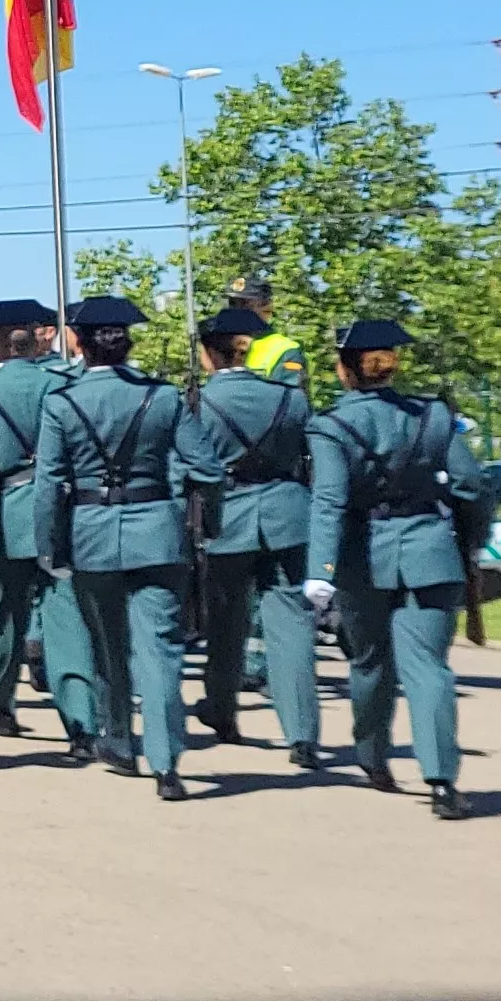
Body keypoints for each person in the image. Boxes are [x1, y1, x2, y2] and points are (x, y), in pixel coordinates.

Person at [304, 318, 485, 819]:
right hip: (431, 549)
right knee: (429, 668)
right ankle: (442, 780)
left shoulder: (331, 424)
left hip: (364, 557)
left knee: (369, 662)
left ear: (344, 370)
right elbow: (470, 484)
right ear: (391, 365)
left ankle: (372, 754)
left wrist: (320, 568)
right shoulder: (433, 415)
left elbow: (329, 502)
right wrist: (474, 538)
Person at [34, 295, 204, 800]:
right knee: (160, 651)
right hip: (157, 530)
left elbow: (48, 485)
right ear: (128, 343)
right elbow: (206, 468)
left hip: (92, 532)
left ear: (80, 345)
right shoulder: (164, 397)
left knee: (109, 647)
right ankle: (166, 761)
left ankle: (119, 740)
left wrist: (51, 547)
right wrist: (197, 522)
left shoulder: (62, 402)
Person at [186, 304, 320, 765]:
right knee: (293, 626)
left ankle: (222, 709)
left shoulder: (199, 402)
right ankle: (301, 733)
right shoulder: (292, 397)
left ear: (209, 355)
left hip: (228, 518)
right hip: (288, 516)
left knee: (226, 624)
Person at [0, 297, 88, 753]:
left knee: (9, 617)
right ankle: (81, 720)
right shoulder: (68, 383)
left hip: (12, 514)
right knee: (67, 617)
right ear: (35, 340)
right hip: (66, 512)